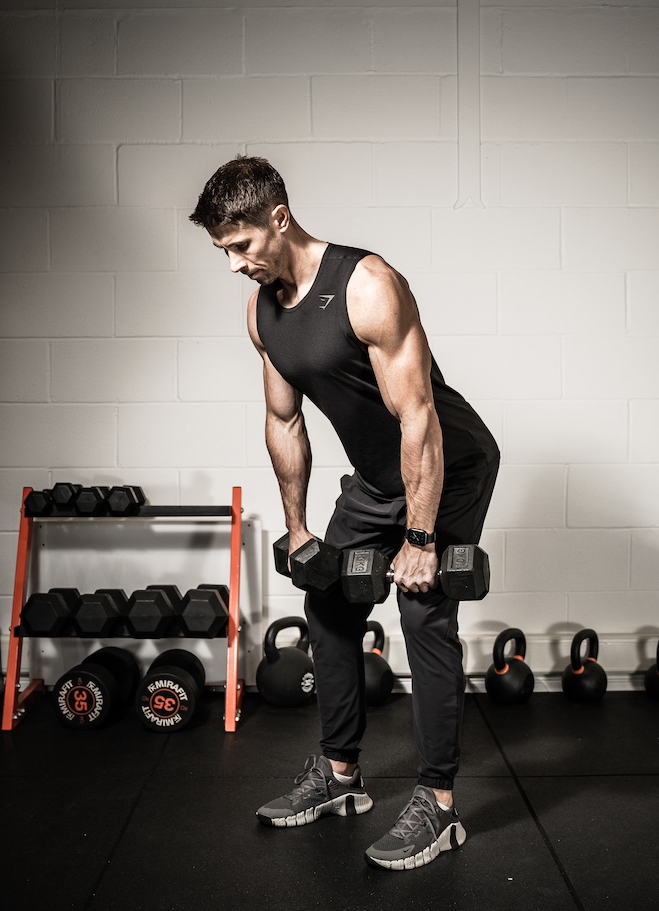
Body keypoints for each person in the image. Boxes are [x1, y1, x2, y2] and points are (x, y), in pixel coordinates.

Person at [190, 156, 499, 871]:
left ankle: (439, 804)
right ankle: (338, 776)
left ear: (278, 218)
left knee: (423, 614)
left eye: (240, 246)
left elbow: (419, 416)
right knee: (326, 607)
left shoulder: (368, 285)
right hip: (372, 477)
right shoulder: (260, 307)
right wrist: (297, 528)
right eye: (221, 252)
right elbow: (283, 421)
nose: (233, 265)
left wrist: (419, 540)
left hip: (446, 464)